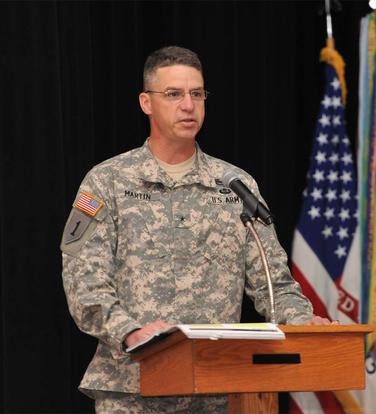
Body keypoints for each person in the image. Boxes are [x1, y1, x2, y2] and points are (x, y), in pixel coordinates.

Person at [61, 45, 333, 413]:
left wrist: (303, 322)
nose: (188, 105)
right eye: (173, 94)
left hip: (219, 390)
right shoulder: (106, 181)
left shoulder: (236, 186)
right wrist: (130, 331)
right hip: (133, 388)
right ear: (146, 102)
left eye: (196, 93)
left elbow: (273, 284)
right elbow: (84, 281)